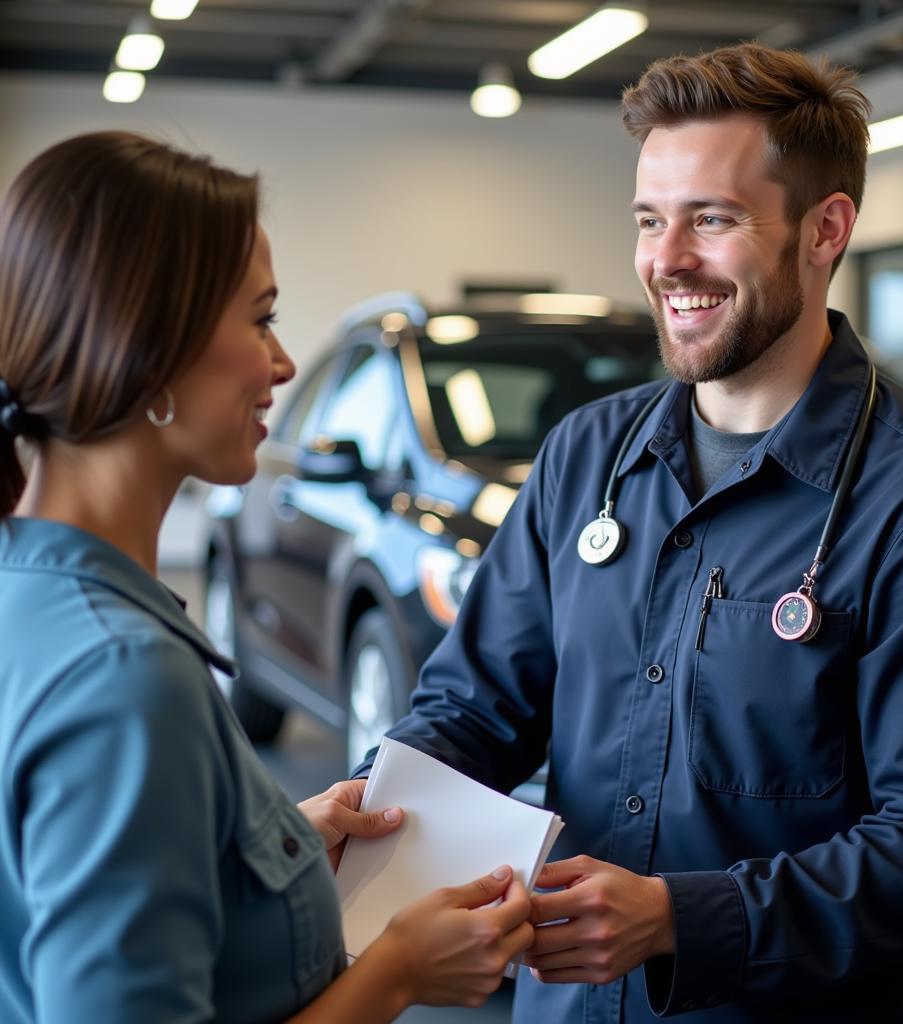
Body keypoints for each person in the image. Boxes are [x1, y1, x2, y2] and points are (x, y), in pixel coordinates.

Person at [358, 44, 903, 1022]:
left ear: (824, 230)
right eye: (649, 219)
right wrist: (363, 813)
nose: (665, 259)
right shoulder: (585, 457)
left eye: (710, 219)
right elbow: (475, 705)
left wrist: (682, 917)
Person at [0, 131, 533, 1023]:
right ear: (151, 348)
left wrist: (266, 848)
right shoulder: (125, 678)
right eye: (261, 320)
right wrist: (396, 972)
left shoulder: (34, 598)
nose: (283, 367)